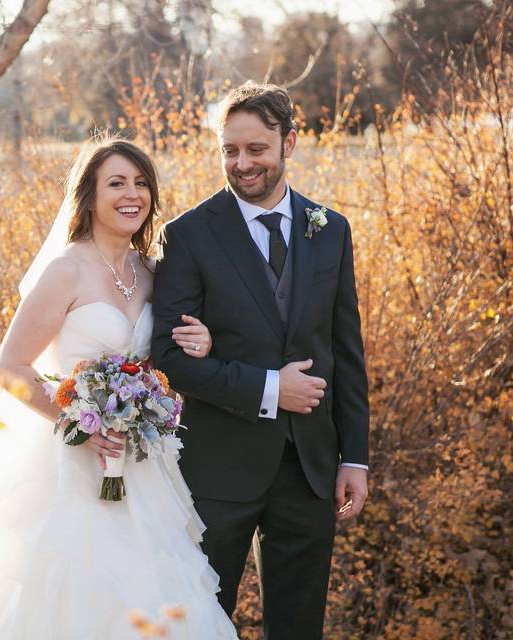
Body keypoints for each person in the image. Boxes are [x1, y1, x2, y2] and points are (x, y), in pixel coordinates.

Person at [0, 138, 237, 639]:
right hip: (69, 470)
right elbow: (13, 367)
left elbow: (161, 359)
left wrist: (203, 341)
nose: (133, 194)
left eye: (141, 182)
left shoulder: (152, 273)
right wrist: (78, 421)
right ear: (88, 197)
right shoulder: (66, 270)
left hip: (140, 466)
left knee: (157, 589)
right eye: (117, 183)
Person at [150, 82, 370, 640]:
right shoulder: (188, 235)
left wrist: (356, 458)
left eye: (255, 149)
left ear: (289, 143)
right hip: (217, 467)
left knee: (299, 627)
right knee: (201, 623)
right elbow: (169, 357)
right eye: (230, 150)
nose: (242, 164)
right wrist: (270, 389)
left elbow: (345, 351)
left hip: (310, 467)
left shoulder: (331, 230)